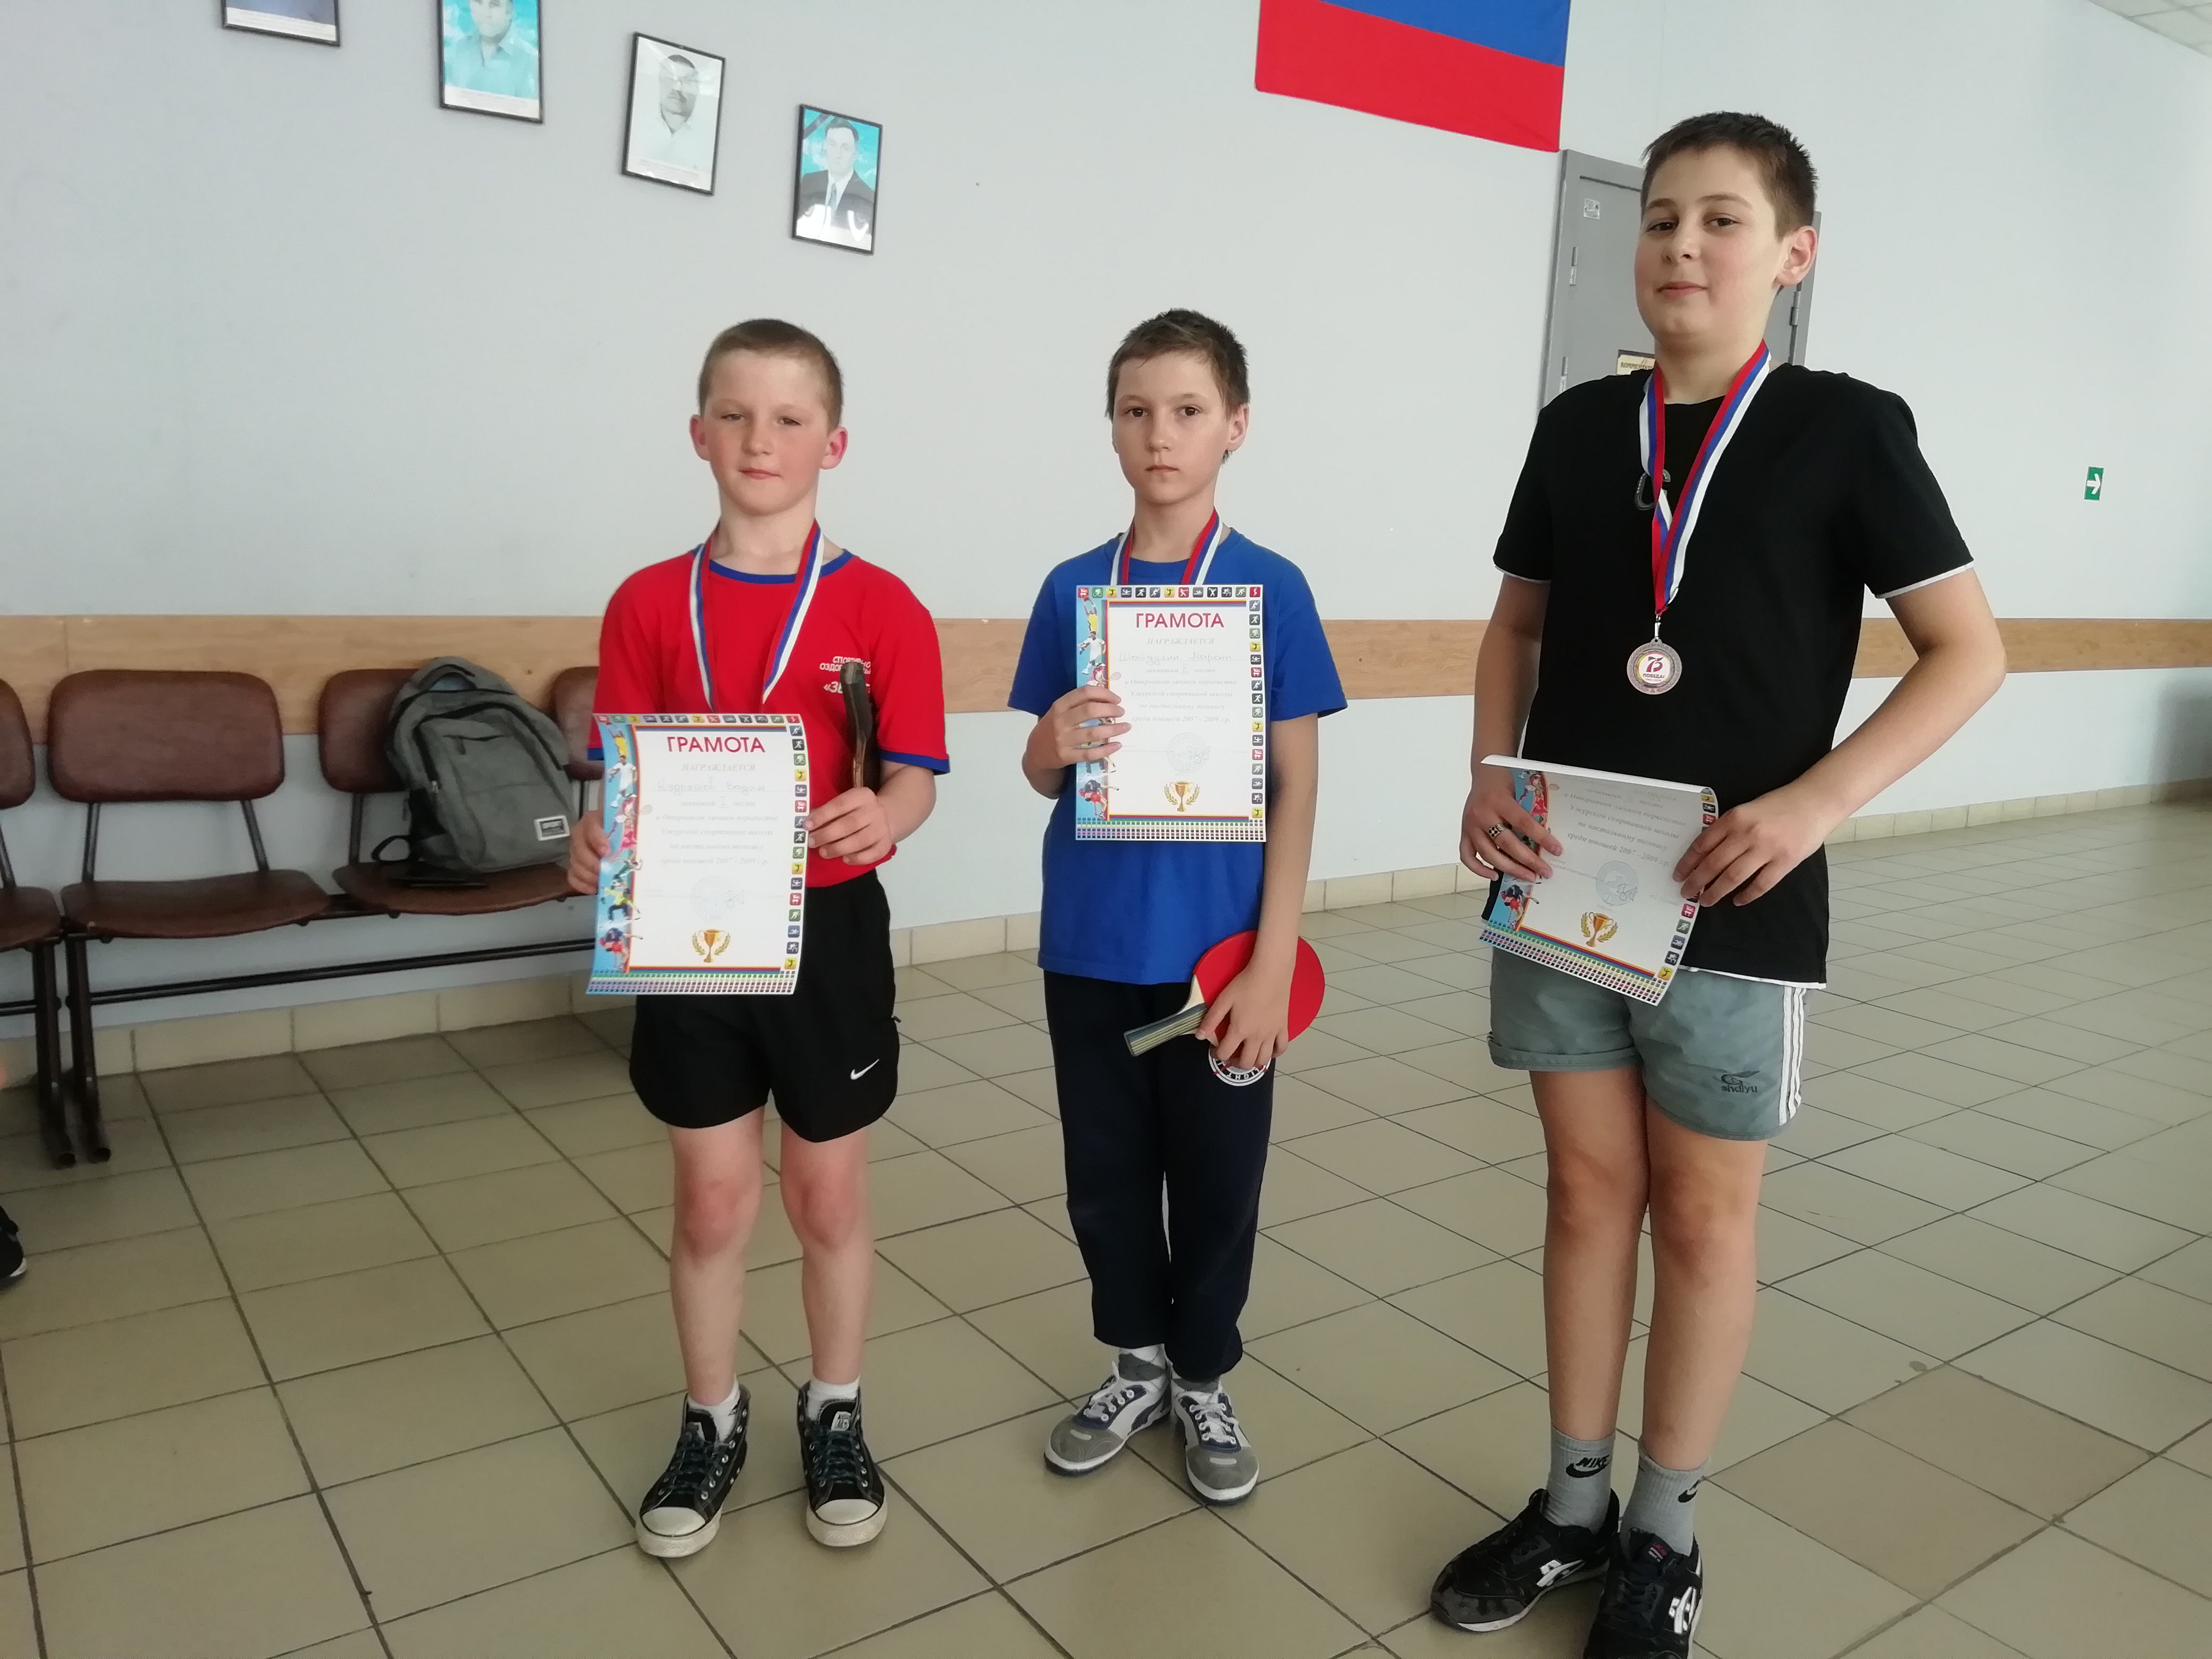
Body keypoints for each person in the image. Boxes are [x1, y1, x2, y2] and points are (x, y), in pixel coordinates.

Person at [1429, 113, 2004, 1657]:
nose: (1681, 244)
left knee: (1698, 1215)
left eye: (1722, 220)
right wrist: (1489, 774)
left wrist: (1815, 802)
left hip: (1741, 898)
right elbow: (1515, 629)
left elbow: (1968, 651)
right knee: (1581, 1193)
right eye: (1660, 217)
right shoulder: (1577, 428)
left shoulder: (1847, 429)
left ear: (1792, 253)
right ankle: (1570, 1503)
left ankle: (1663, 1530)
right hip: (1565, 880)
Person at [572, 319, 949, 1559]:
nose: (759, 439)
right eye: (733, 415)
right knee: (711, 1199)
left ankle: (834, 1409)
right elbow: (623, 786)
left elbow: (912, 779)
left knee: (825, 1194)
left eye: (789, 419)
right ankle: (711, 1417)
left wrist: (886, 813)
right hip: (689, 927)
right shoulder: (645, 602)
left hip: (828, 928)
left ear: (833, 443)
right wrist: (598, 842)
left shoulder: (882, 605)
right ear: (698, 434)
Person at [1010, 309, 1344, 1506]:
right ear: (1111, 427)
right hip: (1092, 942)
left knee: (1216, 1177)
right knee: (1104, 1173)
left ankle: (1203, 1373)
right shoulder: (1072, 589)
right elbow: (1040, 769)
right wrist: (1049, 745)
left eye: (1188, 411)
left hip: (1222, 956)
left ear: (1235, 427)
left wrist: (1273, 961)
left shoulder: (1272, 589)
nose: (1161, 434)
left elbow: (1298, 784)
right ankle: (1135, 1365)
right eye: (1137, 410)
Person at [634, 51, 714, 180]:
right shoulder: (636, 129)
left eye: (687, 82)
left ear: (698, 90)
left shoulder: (711, 138)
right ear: (660, 84)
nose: (677, 88)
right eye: (670, 79)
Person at [795, 120, 874, 247]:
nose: (838, 154)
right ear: (825, 147)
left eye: (845, 147)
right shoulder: (809, 182)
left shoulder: (867, 196)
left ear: (855, 152)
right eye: (832, 145)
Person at [443, 0, 537, 101]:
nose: (485, 14)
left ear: (510, 11)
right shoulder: (457, 50)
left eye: (495, 5)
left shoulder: (530, 61)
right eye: (479, 2)